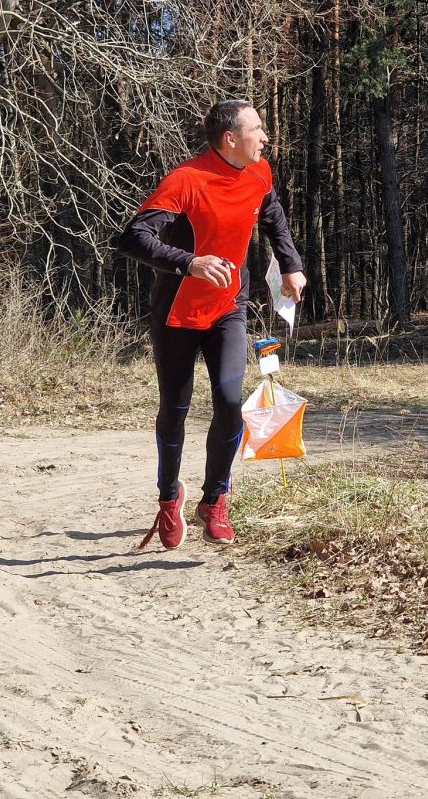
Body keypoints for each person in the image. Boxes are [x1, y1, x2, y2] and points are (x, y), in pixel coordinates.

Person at [117, 100, 306, 549]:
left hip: (228, 309)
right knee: (175, 411)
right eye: (257, 129)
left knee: (228, 402)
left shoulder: (260, 174)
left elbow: (273, 217)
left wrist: (291, 265)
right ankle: (168, 499)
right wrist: (190, 262)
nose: (265, 137)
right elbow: (132, 237)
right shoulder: (186, 180)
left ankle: (214, 498)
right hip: (177, 314)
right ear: (230, 139)